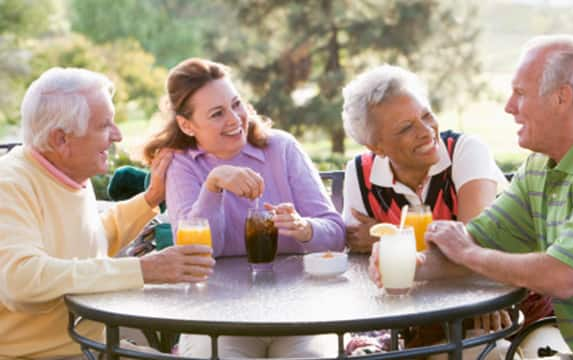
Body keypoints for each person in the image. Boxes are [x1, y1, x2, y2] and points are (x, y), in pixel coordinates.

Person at [374, 35, 573, 359]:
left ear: (561, 98)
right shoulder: (540, 168)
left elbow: (567, 276)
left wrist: (469, 254)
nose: (508, 107)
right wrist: (408, 264)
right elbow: (478, 240)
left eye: (520, 93)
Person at [0, 68, 215, 359]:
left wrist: (150, 198)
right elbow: (21, 281)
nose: (117, 135)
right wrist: (145, 270)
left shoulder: (69, 173)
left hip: (96, 347)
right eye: (104, 126)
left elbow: (89, 240)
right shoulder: (9, 185)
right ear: (61, 139)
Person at [143, 58, 346, 358]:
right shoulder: (182, 165)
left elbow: (337, 232)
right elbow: (197, 254)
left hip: (299, 312)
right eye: (217, 113)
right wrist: (213, 186)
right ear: (187, 125)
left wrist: (305, 228)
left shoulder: (282, 148)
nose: (234, 119)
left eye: (236, 104)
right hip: (216, 316)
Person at [341, 64, 533, 357]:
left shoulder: (466, 152)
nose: (426, 131)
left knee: (486, 352)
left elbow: (475, 243)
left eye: (427, 115)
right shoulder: (360, 173)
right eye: (406, 128)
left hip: (497, 301)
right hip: (415, 317)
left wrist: (391, 241)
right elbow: (358, 254)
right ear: (376, 146)